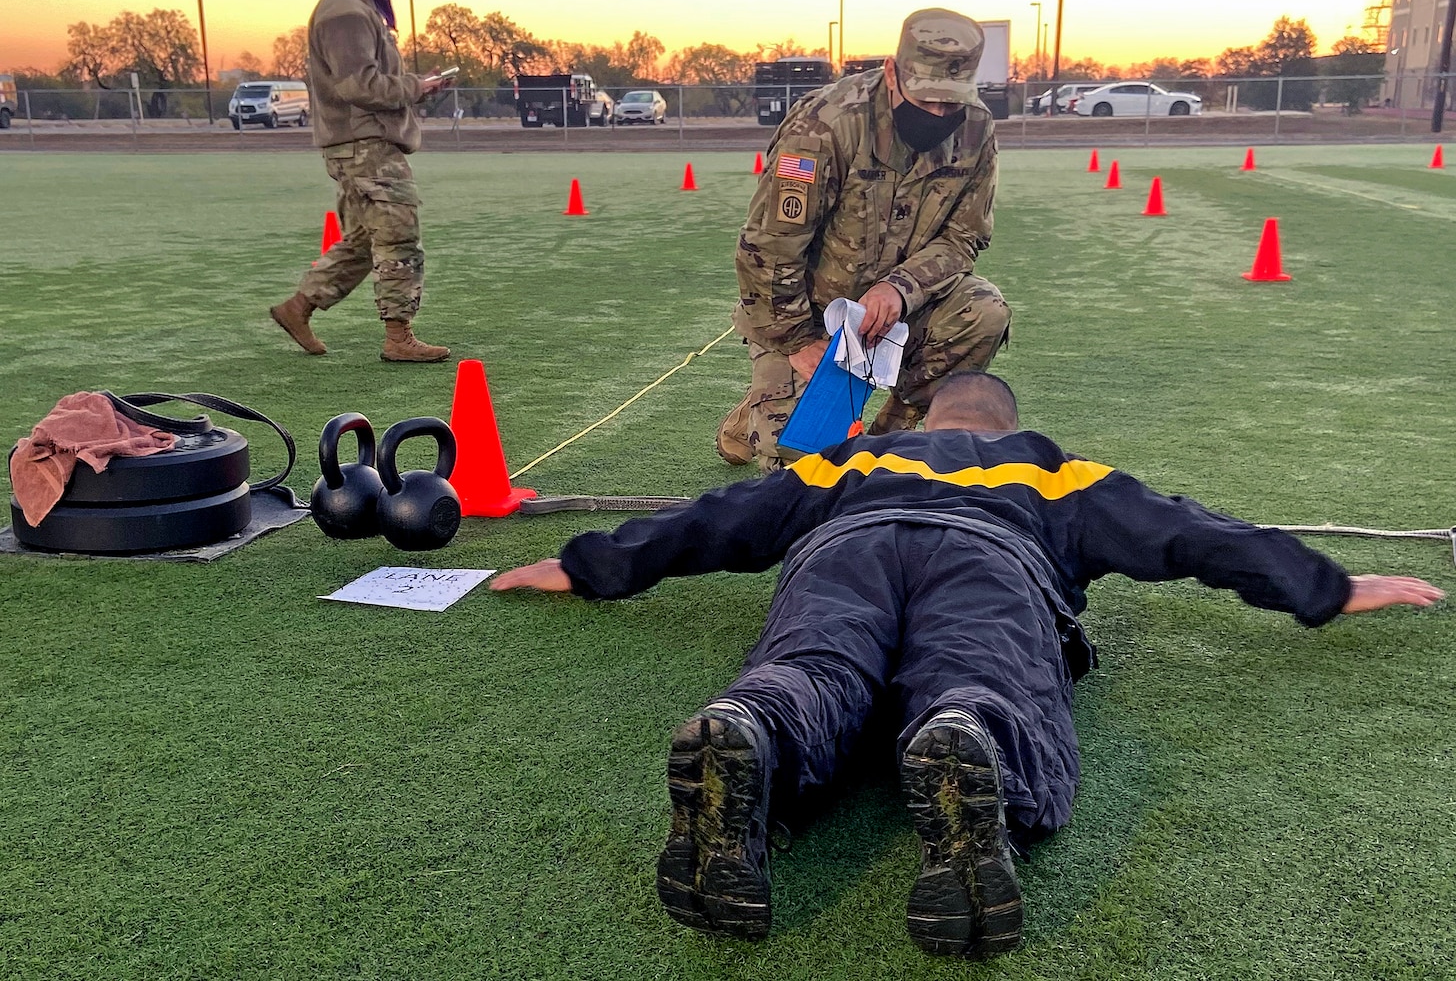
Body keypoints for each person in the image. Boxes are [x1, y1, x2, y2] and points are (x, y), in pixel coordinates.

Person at [492, 373, 1444, 958]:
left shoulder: (850, 460)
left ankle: (757, 725)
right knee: (982, 676)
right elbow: (1193, 535)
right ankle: (969, 732)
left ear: (928, 415)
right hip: (993, 564)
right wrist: (1328, 586)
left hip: (847, 549)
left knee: (812, 667)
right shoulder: (1055, 471)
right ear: (1005, 422)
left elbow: (716, 522)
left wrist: (582, 567)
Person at [718, 8, 1011, 473]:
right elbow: (770, 247)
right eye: (926, 99)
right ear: (892, 73)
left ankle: (886, 441)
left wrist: (900, 288)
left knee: (983, 310)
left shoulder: (976, 129)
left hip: (896, 315)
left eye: (950, 103)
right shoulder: (825, 125)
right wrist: (796, 342)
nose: (938, 114)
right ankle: (756, 410)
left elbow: (965, 235)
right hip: (806, 316)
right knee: (802, 468)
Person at [269, 0, 454, 364]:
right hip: (364, 144)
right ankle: (398, 337)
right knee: (398, 236)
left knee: (364, 240)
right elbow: (358, 86)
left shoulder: (355, 8)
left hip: (361, 140)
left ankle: (298, 308)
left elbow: (367, 80)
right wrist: (415, 87)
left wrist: (415, 88)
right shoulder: (345, 12)